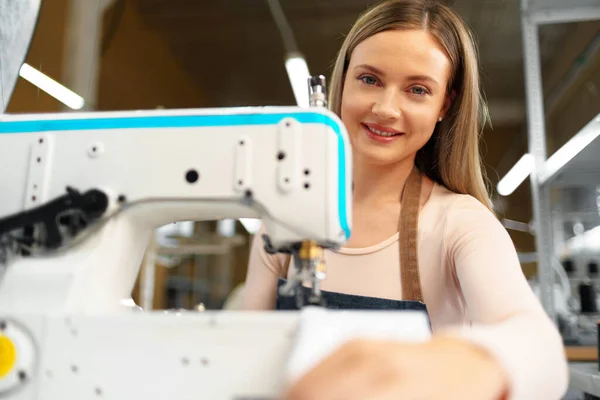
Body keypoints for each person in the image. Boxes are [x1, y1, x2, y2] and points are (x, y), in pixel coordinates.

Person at [242, 0, 569, 399]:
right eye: (369, 80)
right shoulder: (285, 217)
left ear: (443, 105)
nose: (385, 109)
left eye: (417, 90)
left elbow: (540, 348)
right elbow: (240, 357)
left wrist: (471, 365)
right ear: (342, 81)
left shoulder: (460, 224)